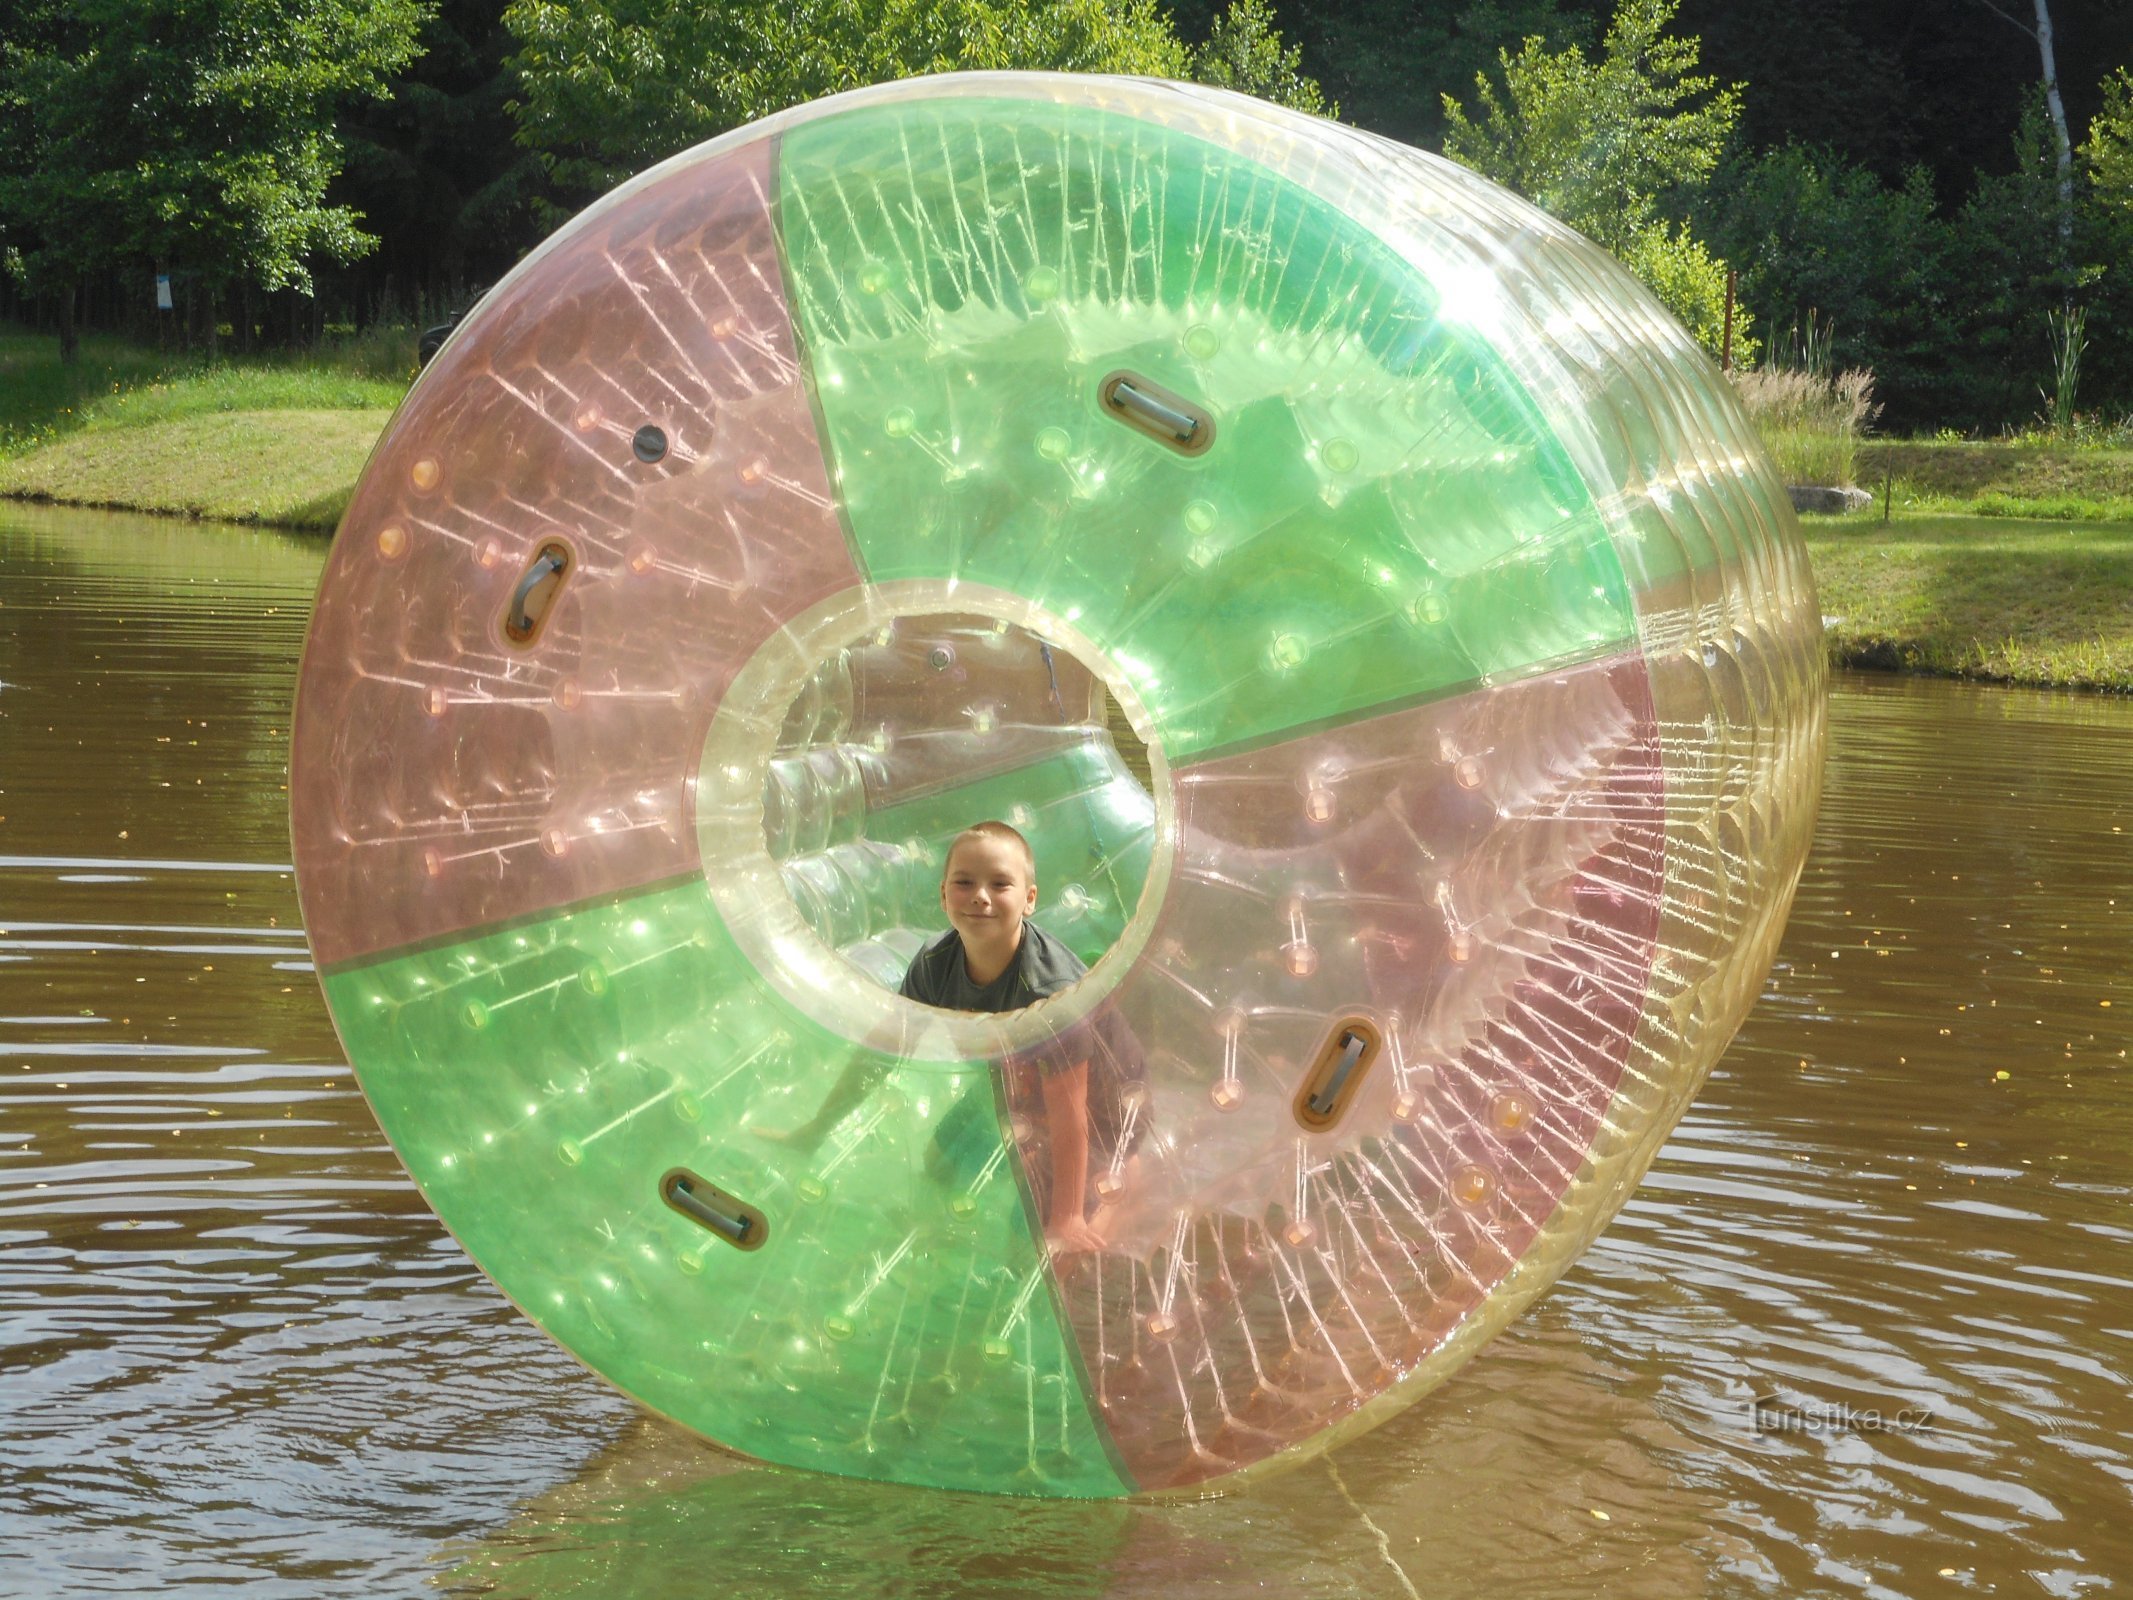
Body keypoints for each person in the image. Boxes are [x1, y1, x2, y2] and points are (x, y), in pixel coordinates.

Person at [901, 821, 1108, 1253]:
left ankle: (1127, 1182)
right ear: (943, 894)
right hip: (1020, 1085)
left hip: (1100, 1101)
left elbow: (1072, 1115)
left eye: (1000, 884)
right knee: (936, 1166)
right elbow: (881, 1047)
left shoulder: (1050, 994)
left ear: (1030, 899)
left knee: (1031, 1240)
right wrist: (814, 1128)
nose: (980, 895)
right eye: (964, 883)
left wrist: (1067, 1216)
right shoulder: (935, 964)